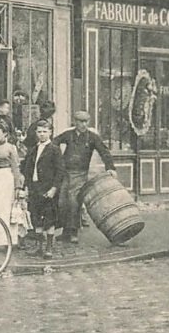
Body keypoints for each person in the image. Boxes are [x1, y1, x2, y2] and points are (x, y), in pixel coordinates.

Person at [53, 110, 116, 244]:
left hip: (80, 174)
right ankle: (65, 232)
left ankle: (73, 232)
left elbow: (104, 151)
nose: (83, 124)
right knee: (62, 201)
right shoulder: (68, 134)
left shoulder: (92, 137)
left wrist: (110, 167)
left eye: (86, 121)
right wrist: (57, 158)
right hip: (65, 173)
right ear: (75, 122)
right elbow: (54, 143)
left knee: (74, 201)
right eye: (80, 121)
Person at [21, 119, 65, 259]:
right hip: (35, 187)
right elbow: (28, 169)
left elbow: (60, 171)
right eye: (39, 132)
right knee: (36, 216)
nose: (42, 134)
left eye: (45, 132)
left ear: (50, 133)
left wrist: (54, 188)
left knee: (49, 217)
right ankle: (39, 246)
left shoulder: (54, 150)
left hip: (48, 188)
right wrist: (26, 186)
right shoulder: (33, 149)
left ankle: (49, 247)